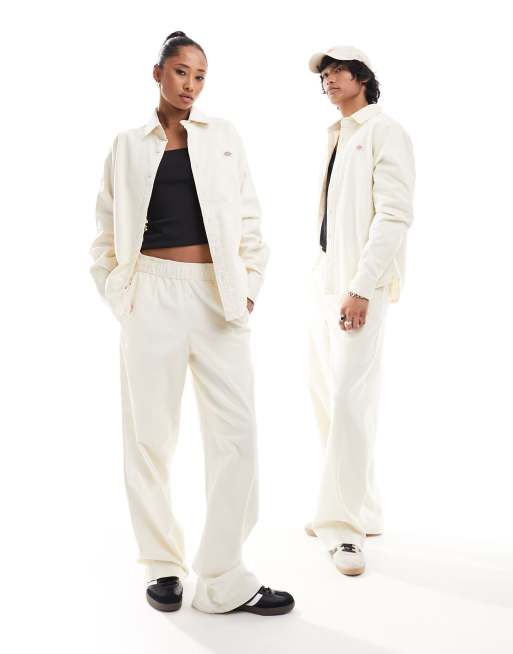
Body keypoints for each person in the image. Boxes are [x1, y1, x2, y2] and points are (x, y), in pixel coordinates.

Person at [88, 30, 294, 616]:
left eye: (201, 76)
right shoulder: (127, 145)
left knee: (238, 435)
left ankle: (224, 577)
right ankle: (162, 563)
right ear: (158, 74)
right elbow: (105, 233)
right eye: (181, 72)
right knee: (149, 437)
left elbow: (249, 219)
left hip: (217, 296)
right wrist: (121, 294)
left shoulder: (223, 137)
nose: (191, 85)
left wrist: (247, 289)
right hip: (150, 294)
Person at [304, 45, 416, 576]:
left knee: (349, 399)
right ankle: (362, 508)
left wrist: (363, 286)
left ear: (364, 77)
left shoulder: (384, 132)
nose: (329, 79)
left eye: (338, 71)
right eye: (324, 74)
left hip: (356, 286)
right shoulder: (338, 134)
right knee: (327, 395)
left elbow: (394, 215)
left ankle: (343, 530)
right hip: (325, 280)